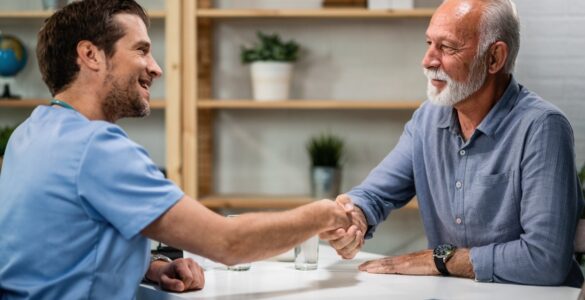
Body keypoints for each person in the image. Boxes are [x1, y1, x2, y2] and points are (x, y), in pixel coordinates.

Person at [0, 1, 353, 298]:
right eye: (141, 50)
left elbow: (58, 249)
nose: (156, 68)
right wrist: (323, 214)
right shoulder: (97, 147)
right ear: (90, 54)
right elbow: (227, 243)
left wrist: (150, 267)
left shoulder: (29, 133)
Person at [321, 0, 584, 287]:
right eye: (429, 43)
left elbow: (545, 259)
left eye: (447, 47)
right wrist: (355, 216)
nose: (428, 60)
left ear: (494, 58)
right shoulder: (427, 120)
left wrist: (440, 259)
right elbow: (374, 194)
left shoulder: (542, 127)